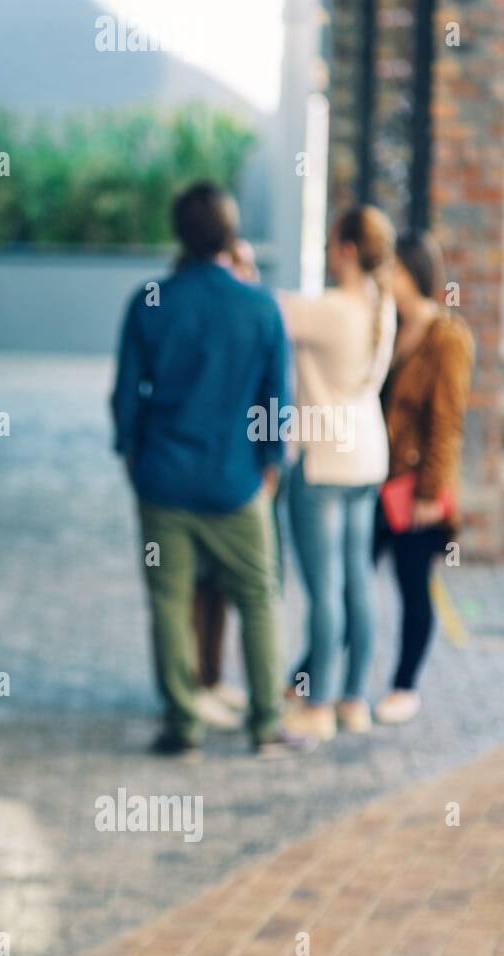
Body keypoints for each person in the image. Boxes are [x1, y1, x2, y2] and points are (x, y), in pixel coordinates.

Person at [112, 182, 309, 759]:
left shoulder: (150, 301)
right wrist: (270, 469)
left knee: (169, 603)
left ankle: (183, 726)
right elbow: (277, 403)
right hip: (237, 483)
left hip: (164, 481)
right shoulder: (259, 305)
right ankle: (267, 725)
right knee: (258, 598)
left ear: (180, 234)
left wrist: (134, 459)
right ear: (230, 233)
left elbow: (126, 398)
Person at [278, 206, 397, 741]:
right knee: (359, 583)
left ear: (348, 250)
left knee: (325, 590)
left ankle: (318, 702)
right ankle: (354, 699)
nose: (328, 255)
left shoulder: (329, 309)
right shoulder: (382, 306)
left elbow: (265, 309)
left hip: (325, 459)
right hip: (368, 456)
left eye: (332, 245)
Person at [372, 230, 475, 724]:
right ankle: (315, 673)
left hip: (414, 486)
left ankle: (405, 684)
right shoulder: (388, 325)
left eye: (392, 269)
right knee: (352, 576)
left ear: (412, 274)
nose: (385, 278)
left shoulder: (447, 336)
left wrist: (432, 494)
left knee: (413, 584)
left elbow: (447, 422)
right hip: (375, 477)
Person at [192, 237, 261, 730]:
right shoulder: (223, 315)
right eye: (236, 262)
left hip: (241, 476)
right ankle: (198, 684)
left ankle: (213, 681)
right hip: (209, 477)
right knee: (201, 588)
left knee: (233, 589)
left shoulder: (258, 314)